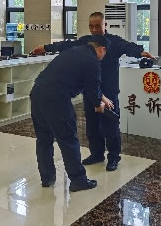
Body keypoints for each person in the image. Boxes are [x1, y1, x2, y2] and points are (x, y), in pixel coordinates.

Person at [32, 11, 155, 171]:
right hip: (90, 92)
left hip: (109, 92)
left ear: (105, 25)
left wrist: (141, 52)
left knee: (111, 125)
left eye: (98, 26)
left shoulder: (114, 41)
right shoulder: (86, 42)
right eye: (91, 26)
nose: (94, 29)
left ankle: (113, 157)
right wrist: (46, 47)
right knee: (92, 126)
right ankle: (97, 154)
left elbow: (128, 47)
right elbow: (66, 45)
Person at [30, 34, 111, 192]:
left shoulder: (74, 51)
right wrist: (98, 104)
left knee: (44, 139)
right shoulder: (92, 61)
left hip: (37, 94)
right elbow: (92, 88)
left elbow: (85, 83)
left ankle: (47, 178)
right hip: (56, 99)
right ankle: (78, 180)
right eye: (105, 53)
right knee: (68, 138)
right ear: (102, 49)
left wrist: (101, 98)